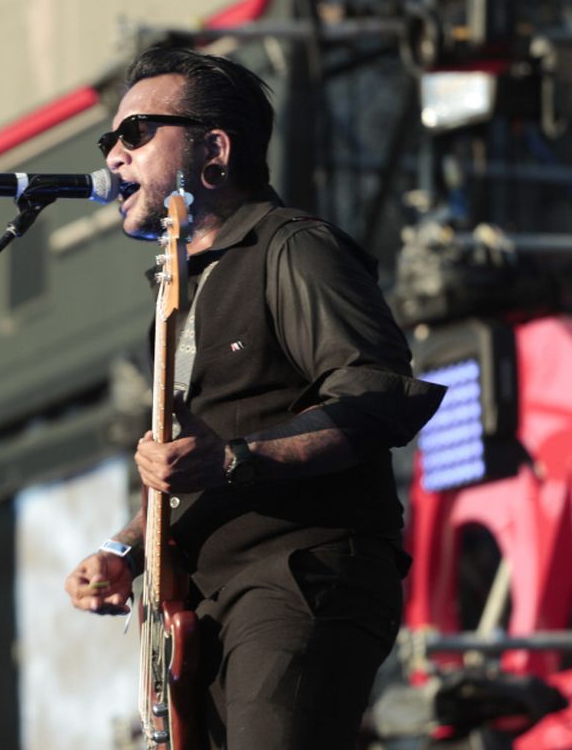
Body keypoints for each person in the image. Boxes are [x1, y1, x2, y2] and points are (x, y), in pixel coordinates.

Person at [63, 44, 445, 749]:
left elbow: (377, 394)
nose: (114, 156)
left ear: (215, 149)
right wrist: (125, 550)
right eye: (107, 140)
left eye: (136, 133)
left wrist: (236, 460)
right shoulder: (178, 287)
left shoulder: (291, 247)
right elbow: (189, 462)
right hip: (204, 604)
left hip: (298, 574)